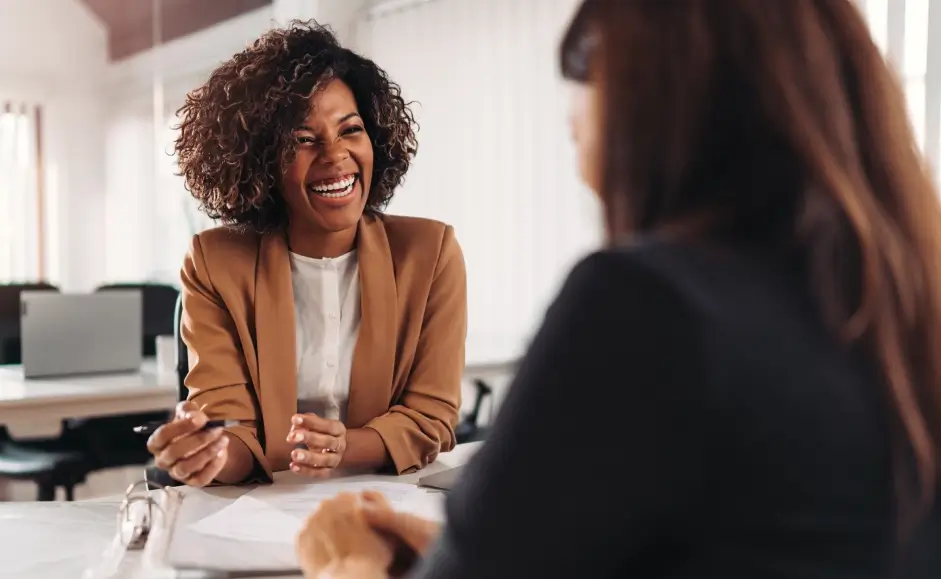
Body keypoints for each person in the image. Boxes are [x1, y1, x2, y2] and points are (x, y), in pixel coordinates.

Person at [295, 0, 941, 577]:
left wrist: (349, 563)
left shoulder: (648, 307)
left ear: (656, 97)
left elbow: (432, 421)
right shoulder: (899, 307)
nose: (572, 121)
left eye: (585, 74)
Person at [145, 21, 467, 487]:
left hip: (385, 496)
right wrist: (207, 454)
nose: (335, 155)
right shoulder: (215, 262)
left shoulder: (430, 253)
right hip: (260, 507)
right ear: (261, 160)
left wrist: (343, 447)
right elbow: (232, 431)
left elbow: (430, 418)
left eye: (350, 129)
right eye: (302, 139)